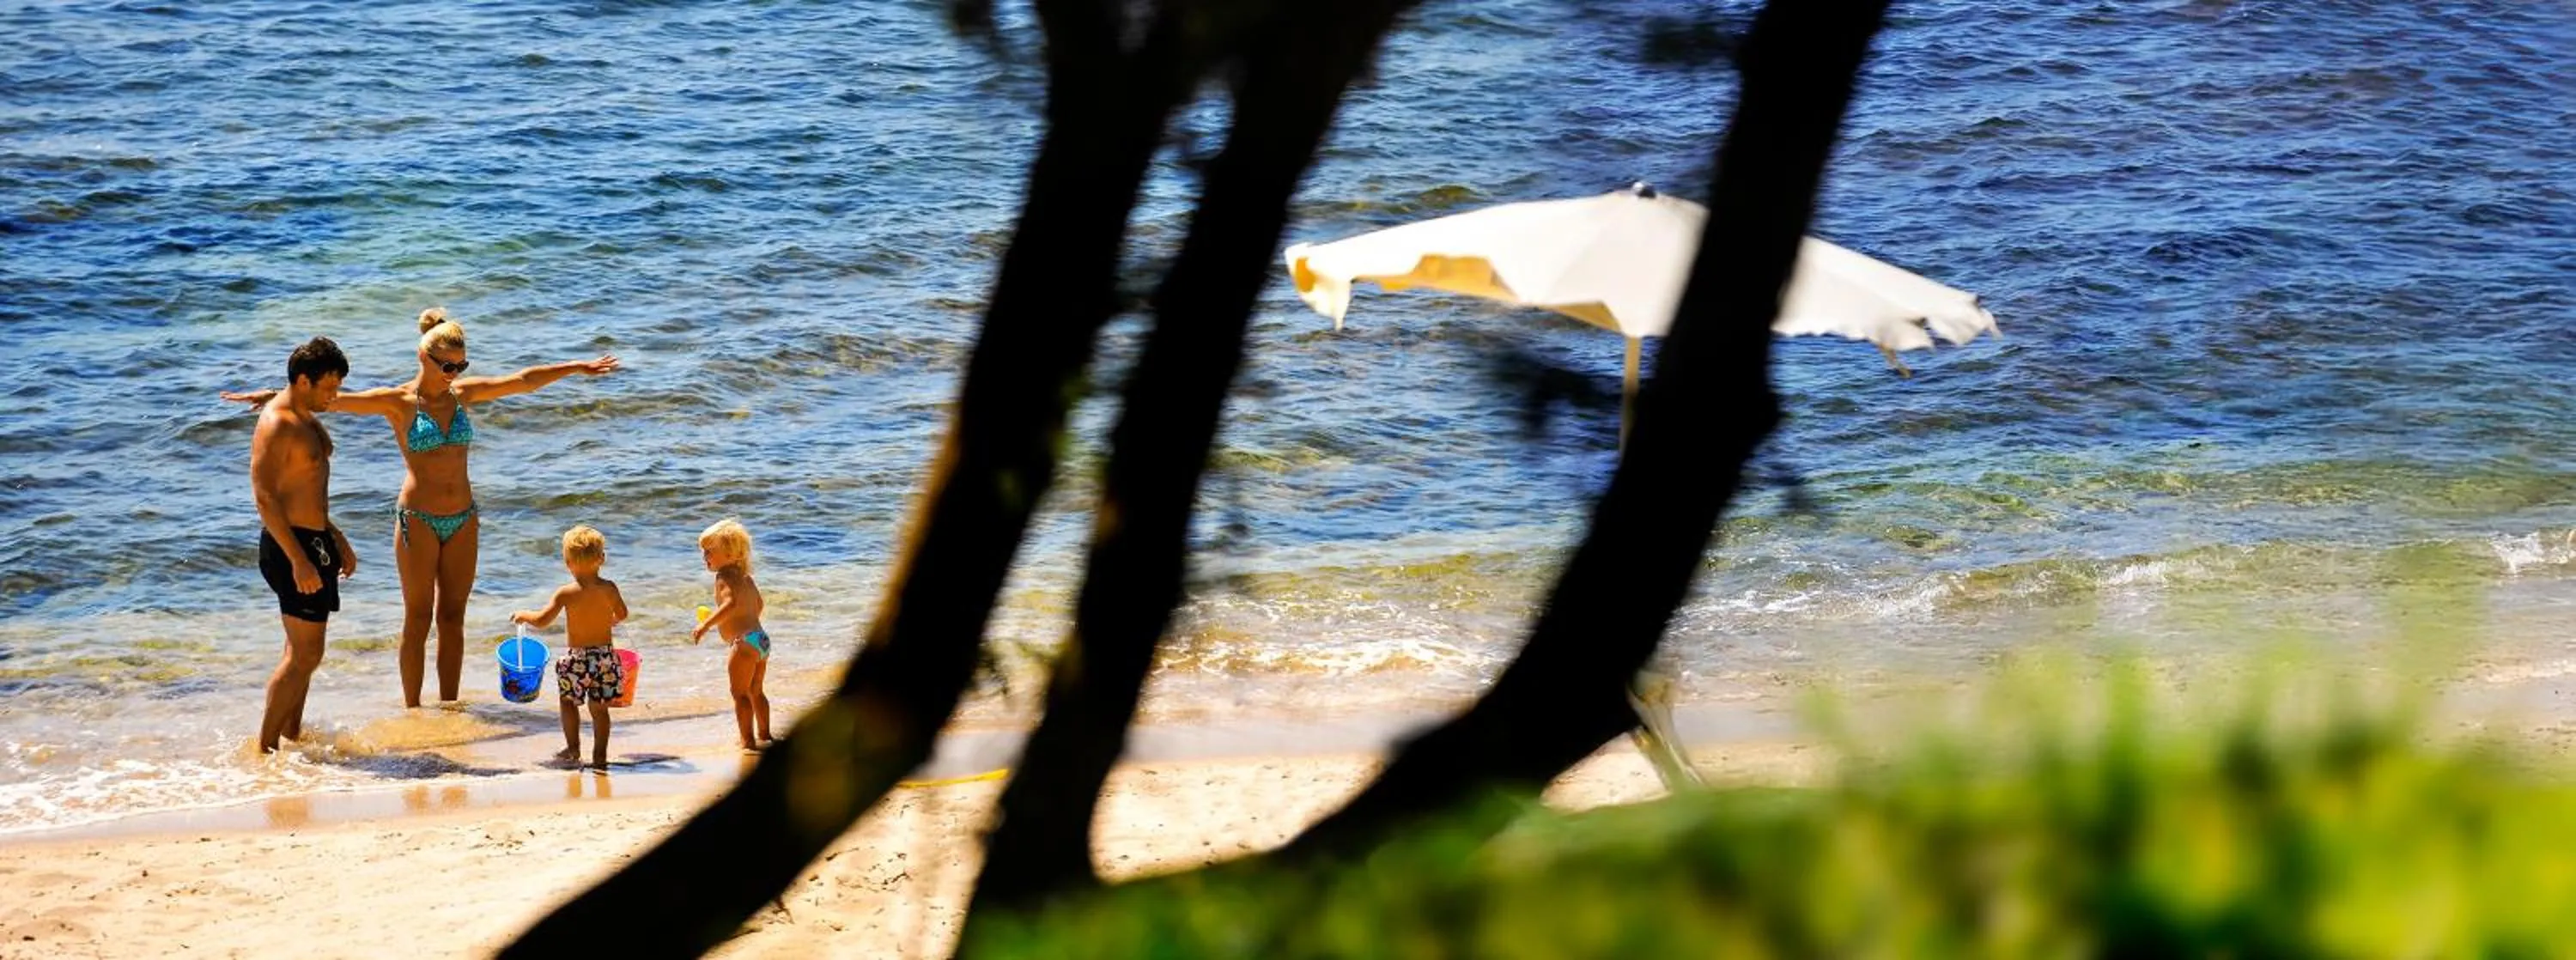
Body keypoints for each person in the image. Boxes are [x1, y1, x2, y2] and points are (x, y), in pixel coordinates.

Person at [225, 307, 620, 707]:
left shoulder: (462, 395)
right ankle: (413, 710)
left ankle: (449, 707)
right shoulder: (397, 402)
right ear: (423, 357)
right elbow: (330, 400)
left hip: (463, 518)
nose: (454, 374)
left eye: (461, 366)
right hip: (419, 519)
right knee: (417, 619)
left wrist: (577, 367)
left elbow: (522, 380)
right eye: (447, 366)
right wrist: (275, 397)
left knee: (452, 618)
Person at [249, 337, 358, 754]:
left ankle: (290, 738)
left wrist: (335, 537)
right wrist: (299, 560)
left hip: (315, 542)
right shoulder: (278, 423)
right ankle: (265, 750)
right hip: (290, 547)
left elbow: (307, 490)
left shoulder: (305, 414)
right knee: (303, 655)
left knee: (305, 653)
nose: (335, 396)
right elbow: (265, 498)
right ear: (303, 381)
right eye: (329, 387)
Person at [511, 526, 629, 770]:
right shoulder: (609, 588)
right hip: (606, 658)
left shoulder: (566, 593)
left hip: (578, 659)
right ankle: (600, 755)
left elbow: (542, 620)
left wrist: (524, 615)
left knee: (568, 702)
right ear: (602, 558)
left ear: (567, 563)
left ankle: (573, 749)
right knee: (600, 709)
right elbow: (623, 614)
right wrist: (611, 619)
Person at [690, 519, 773, 752]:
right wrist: (747, 621)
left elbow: (731, 603)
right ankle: (765, 735)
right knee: (756, 691)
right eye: (703, 551)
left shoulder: (723, 576)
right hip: (761, 639)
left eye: (709, 551)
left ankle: (747, 741)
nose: (704, 556)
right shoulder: (746, 577)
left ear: (729, 554)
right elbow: (759, 604)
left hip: (744, 643)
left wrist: (705, 625)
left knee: (739, 694)